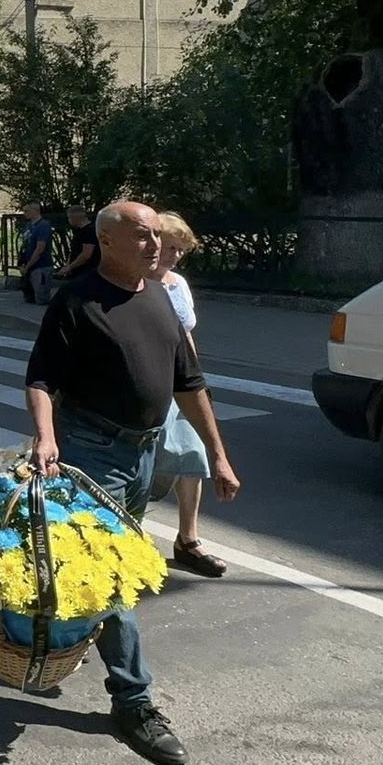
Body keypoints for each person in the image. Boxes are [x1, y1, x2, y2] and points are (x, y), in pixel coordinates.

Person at [23, 201, 242, 765]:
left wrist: (218, 455)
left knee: (102, 566)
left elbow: (190, 382)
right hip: (93, 449)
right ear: (109, 243)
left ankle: (32, 630)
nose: (154, 244)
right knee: (115, 572)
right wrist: (45, 437)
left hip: (143, 452)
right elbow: (42, 378)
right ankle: (133, 700)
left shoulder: (162, 300)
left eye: (156, 235)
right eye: (142, 236)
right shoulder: (76, 301)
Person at [148, 212, 226, 578]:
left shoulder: (177, 284)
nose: (174, 255)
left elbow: (186, 334)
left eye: (181, 249)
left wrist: (197, 380)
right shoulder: (133, 282)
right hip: (145, 384)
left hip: (180, 383)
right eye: (169, 246)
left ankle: (188, 539)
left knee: (193, 455)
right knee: (144, 462)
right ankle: (124, 537)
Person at [17, 202, 55, 305]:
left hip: (40, 266)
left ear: (35, 211)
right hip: (29, 266)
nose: (24, 213)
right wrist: (22, 264)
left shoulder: (43, 226)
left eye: (26, 211)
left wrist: (28, 266)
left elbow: (40, 249)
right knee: (29, 298)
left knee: (41, 299)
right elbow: (25, 245)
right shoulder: (29, 225)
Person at [56, 204, 99, 280]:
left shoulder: (89, 230)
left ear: (75, 217)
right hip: (76, 272)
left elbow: (86, 254)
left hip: (86, 273)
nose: (68, 220)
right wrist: (68, 265)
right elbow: (74, 250)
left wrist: (70, 267)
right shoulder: (79, 231)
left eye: (69, 218)